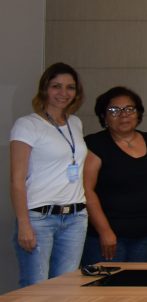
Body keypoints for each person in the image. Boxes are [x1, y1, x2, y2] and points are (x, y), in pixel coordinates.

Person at [10, 63, 88, 287]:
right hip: (39, 218)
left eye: (70, 87)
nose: (64, 93)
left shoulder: (75, 123)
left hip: (75, 217)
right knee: (36, 289)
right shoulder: (27, 125)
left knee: (67, 288)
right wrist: (24, 224)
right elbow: (17, 180)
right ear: (45, 88)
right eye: (57, 86)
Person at [82, 86, 147, 266]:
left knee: (135, 288)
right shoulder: (95, 144)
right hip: (107, 236)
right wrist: (105, 231)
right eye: (114, 110)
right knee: (105, 290)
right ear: (103, 116)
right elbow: (87, 190)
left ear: (138, 113)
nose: (123, 114)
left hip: (145, 234)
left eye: (129, 109)